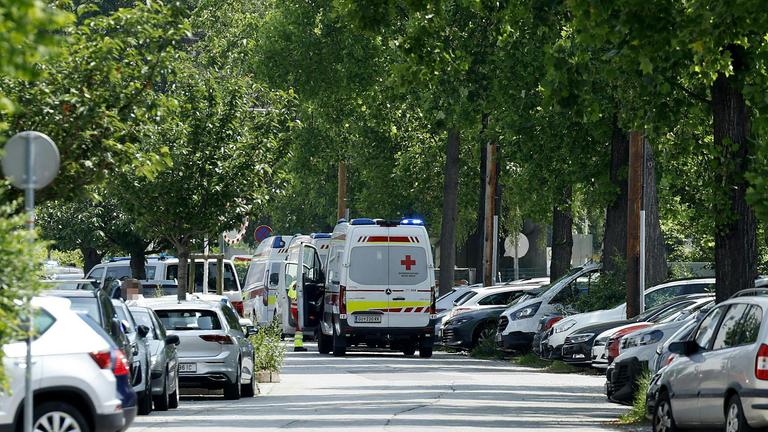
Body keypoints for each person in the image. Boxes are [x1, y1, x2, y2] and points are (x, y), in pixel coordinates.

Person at [288, 281, 306, 352]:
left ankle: (298, 345)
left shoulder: (292, 285)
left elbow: (290, 297)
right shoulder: (301, 285)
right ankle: (298, 346)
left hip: (293, 308)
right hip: (298, 309)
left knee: (298, 326)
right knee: (299, 328)